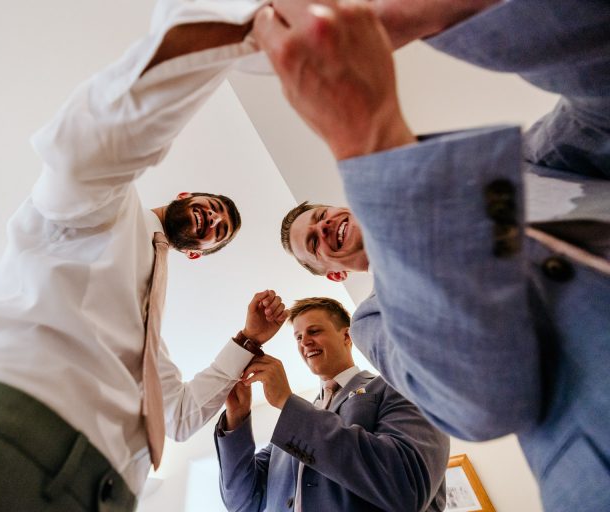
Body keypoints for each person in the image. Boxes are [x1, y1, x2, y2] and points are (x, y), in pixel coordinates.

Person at [0, 1, 276, 510]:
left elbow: (178, 418)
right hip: (2, 429)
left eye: (218, 232)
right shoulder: (111, 202)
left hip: (105, 489)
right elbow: (84, 153)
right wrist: (227, 34)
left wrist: (247, 340)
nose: (211, 220)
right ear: (184, 198)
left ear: (199, 254)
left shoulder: (146, 326)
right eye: (211, 208)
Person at [255, 1, 610, 510]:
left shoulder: (527, 165)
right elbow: (484, 402)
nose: (325, 228)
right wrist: (367, 138)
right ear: (334, 271)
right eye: (313, 243)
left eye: (325, 215)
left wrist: (430, 19)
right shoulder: (377, 320)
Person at [215, 297, 449, 512]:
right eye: (298, 337)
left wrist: (287, 402)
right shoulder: (292, 425)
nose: (304, 342)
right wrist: (236, 418)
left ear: (347, 336)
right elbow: (243, 503)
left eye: (314, 331)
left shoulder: (398, 386)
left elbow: (406, 487)